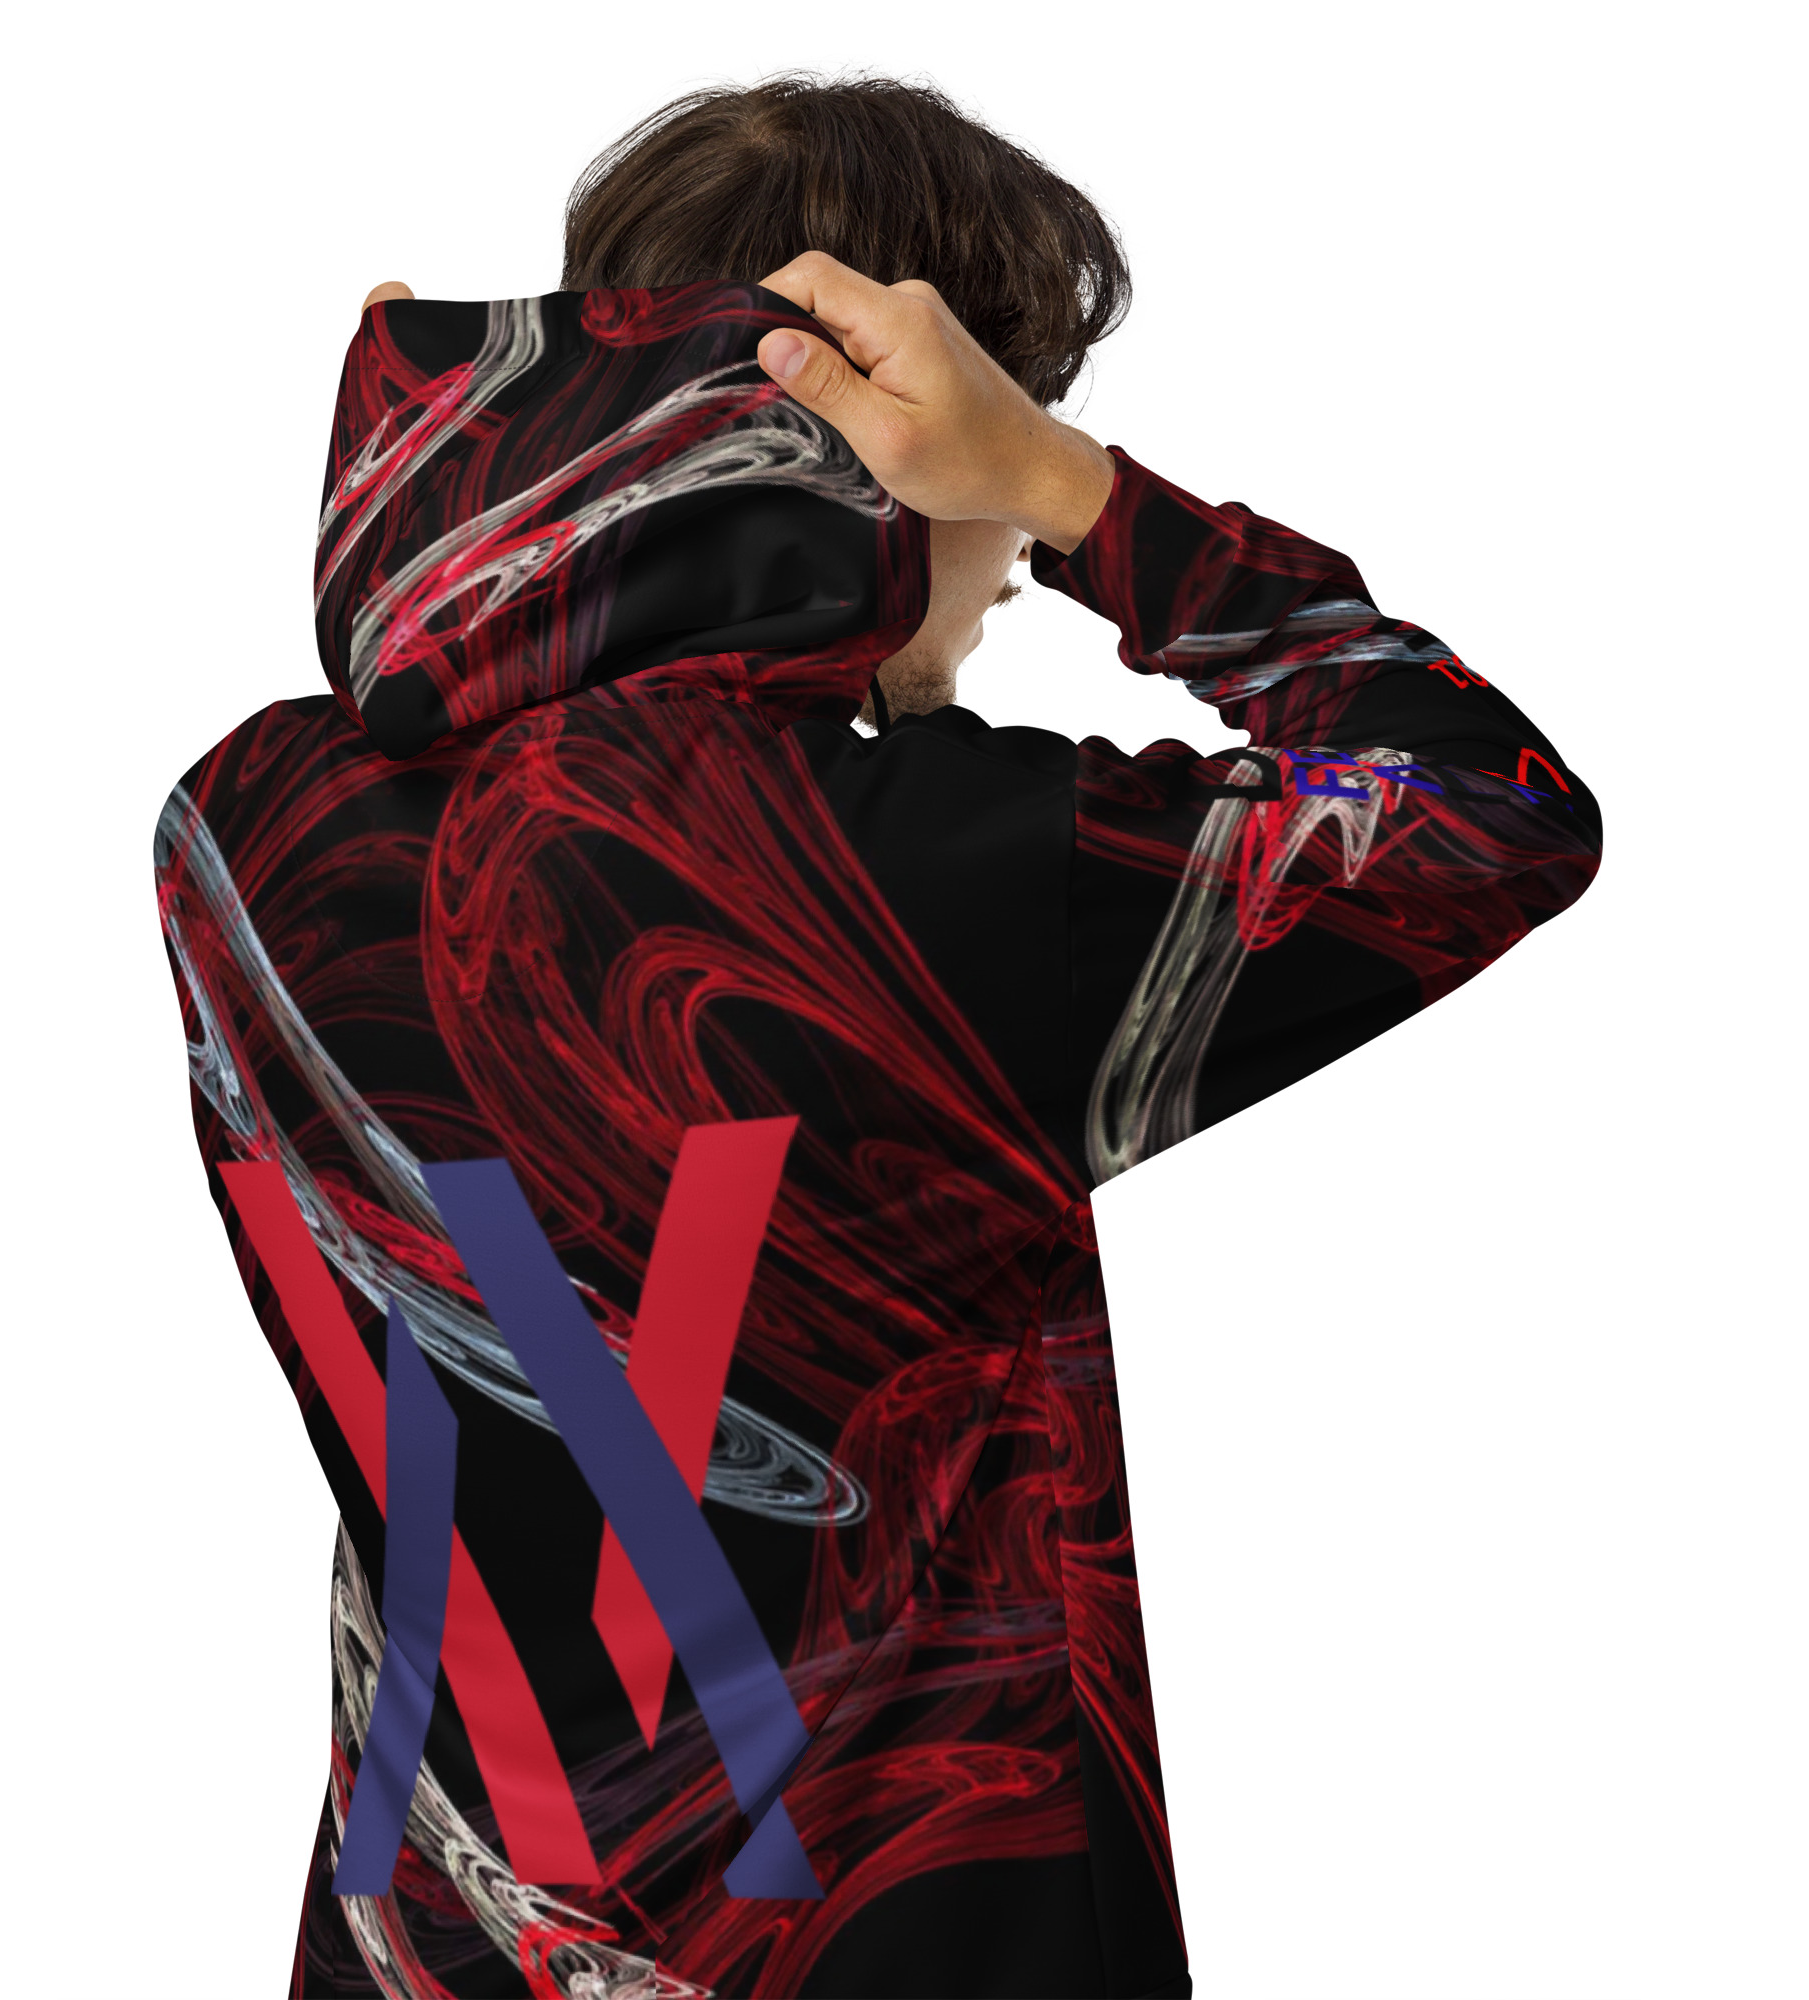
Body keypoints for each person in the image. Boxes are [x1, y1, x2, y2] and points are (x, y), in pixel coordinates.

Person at [155, 76, 1599, 1999]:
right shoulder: (936, 877)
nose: (1004, 557)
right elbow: (1496, 811)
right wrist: (1084, 494)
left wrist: (474, 474)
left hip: (429, 1946)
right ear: (874, 444)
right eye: (992, 430)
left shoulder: (246, 830)